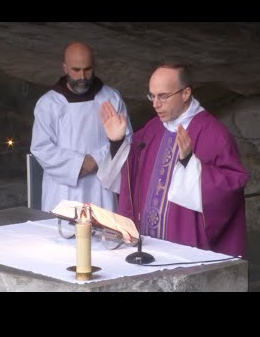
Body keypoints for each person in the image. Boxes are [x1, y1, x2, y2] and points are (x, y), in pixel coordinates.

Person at [99, 63, 249, 257]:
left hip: (184, 244)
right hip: (145, 242)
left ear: (185, 94)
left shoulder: (213, 133)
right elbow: (129, 178)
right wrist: (117, 142)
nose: (155, 104)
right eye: (152, 96)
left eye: (163, 96)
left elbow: (231, 186)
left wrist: (189, 163)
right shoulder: (152, 129)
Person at [30, 41, 132, 213]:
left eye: (88, 69)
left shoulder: (111, 97)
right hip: (63, 191)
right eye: (76, 70)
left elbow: (127, 138)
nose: (82, 77)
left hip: (101, 187)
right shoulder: (48, 103)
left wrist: (96, 160)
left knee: (102, 235)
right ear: (65, 67)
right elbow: (41, 148)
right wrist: (79, 163)